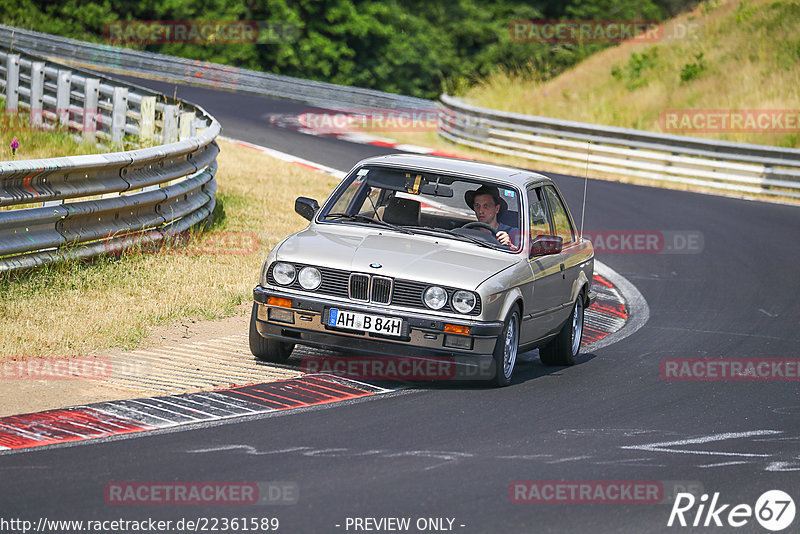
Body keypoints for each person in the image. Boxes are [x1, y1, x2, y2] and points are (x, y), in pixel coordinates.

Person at [464, 184, 519, 249]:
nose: (480, 211)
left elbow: (524, 255)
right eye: (477, 205)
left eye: (486, 206)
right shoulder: (469, 233)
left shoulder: (513, 233)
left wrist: (510, 246)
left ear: (497, 209)